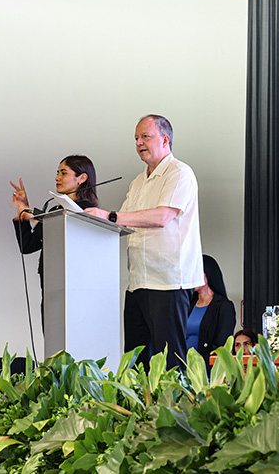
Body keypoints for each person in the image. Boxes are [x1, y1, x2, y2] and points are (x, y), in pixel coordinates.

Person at [85, 114, 203, 370]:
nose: (139, 142)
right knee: (136, 360)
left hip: (168, 280)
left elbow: (162, 217)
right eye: (136, 138)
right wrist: (85, 218)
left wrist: (110, 215)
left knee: (171, 360)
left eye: (145, 136)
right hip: (138, 280)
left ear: (165, 139)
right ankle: (141, 409)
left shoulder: (179, 173)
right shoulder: (138, 182)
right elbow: (122, 223)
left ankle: (175, 408)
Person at [10, 155, 99, 324]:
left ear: (82, 178)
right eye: (57, 173)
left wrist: (33, 216)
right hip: (51, 286)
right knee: (52, 340)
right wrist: (22, 212)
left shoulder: (88, 211)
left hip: (75, 289)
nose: (57, 178)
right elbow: (28, 245)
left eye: (63, 173)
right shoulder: (56, 209)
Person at [186, 255, 236, 367]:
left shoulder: (223, 306)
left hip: (205, 369)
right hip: (184, 365)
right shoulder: (188, 304)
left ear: (208, 274)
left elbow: (221, 345)